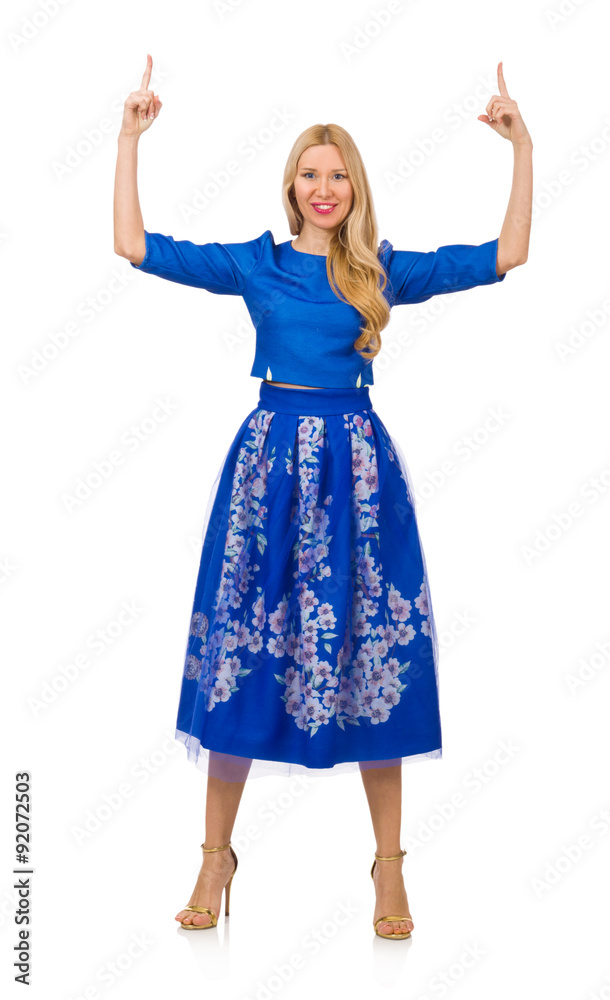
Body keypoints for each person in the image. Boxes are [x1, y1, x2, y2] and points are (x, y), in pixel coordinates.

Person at [113, 54, 532, 939]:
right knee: (244, 647)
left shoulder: (376, 271)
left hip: (359, 482)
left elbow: (507, 255)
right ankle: (214, 859)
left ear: (356, 188)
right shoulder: (258, 265)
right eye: (311, 172)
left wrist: (519, 147)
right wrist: (130, 138)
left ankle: (389, 872)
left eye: (339, 174)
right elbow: (136, 247)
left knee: (370, 655)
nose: (325, 186)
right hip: (267, 474)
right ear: (290, 187)